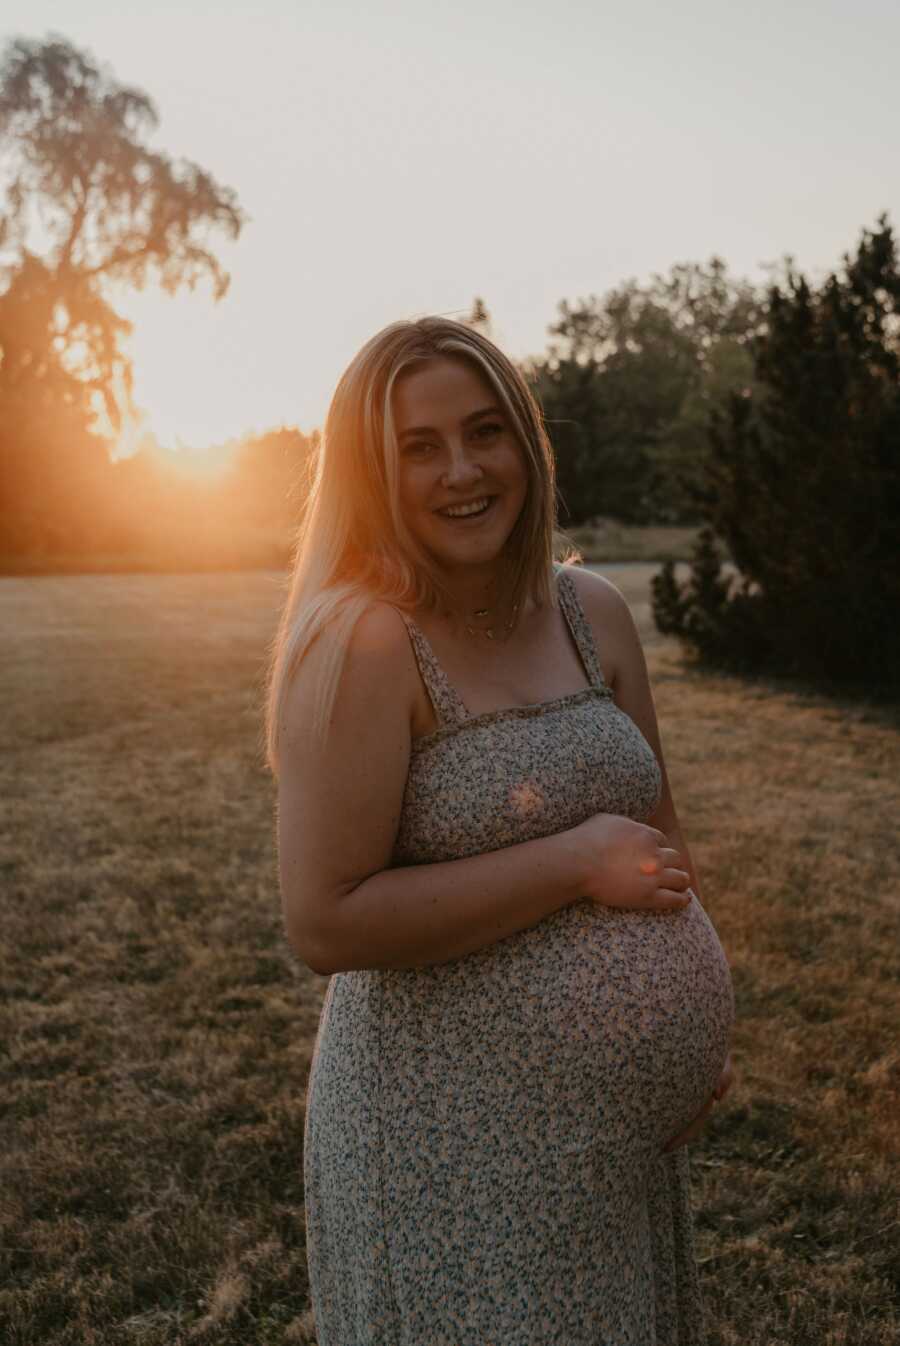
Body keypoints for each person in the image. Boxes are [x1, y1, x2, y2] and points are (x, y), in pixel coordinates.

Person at [266, 315, 735, 1345]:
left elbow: (662, 844)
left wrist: (689, 1040)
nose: (463, 470)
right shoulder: (364, 641)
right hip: (448, 1145)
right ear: (368, 473)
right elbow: (326, 919)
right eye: (418, 448)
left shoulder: (593, 612)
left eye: (487, 431)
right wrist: (570, 863)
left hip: (613, 1141)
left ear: (528, 440)